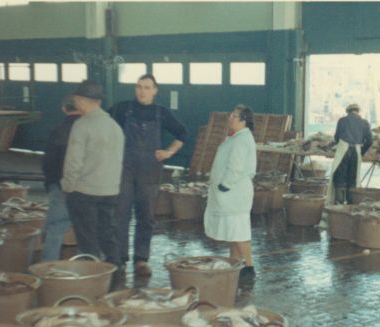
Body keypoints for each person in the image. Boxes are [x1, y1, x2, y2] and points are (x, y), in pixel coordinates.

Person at [109, 74, 188, 276]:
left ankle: (141, 260)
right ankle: (119, 259)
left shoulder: (161, 113)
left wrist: (169, 152)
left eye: (146, 87)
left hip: (150, 171)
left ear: (155, 90)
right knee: (120, 214)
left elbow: (182, 133)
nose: (142, 91)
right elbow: (105, 128)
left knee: (146, 216)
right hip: (124, 168)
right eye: (139, 87)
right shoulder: (122, 109)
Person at [61, 80, 124, 266]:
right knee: (108, 235)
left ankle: (93, 278)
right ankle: (116, 274)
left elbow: (73, 162)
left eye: (76, 99)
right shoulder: (115, 127)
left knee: (88, 242)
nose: (75, 103)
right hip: (110, 191)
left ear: (82, 100)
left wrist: (67, 186)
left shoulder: (82, 125)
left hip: (84, 193)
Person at [204, 105, 257, 279]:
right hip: (232, 194)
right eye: (231, 115)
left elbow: (236, 167)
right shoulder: (235, 137)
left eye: (234, 116)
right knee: (234, 232)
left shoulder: (241, 140)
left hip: (234, 193)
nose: (230, 118)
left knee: (239, 231)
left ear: (243, 121)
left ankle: (249, 267)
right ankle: (234, 266)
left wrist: (224, 185)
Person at [41, 94, 80, 261]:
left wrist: (50, 184)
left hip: (60, 186)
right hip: (86, 186)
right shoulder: (88, 131)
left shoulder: (57, 131)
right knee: (90, 229)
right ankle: (92, 269)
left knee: (55, 227)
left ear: (63, 109)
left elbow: (48, 162)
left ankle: (48, 268)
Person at [328, 103, 373, 204]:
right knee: (353, 177)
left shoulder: (342, 120)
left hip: (343, 149)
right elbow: (370, 141)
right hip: (356, 151)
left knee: (339, 175)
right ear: (358, 111)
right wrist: (361, 152)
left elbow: (337, 138)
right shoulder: (365, 123)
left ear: (348, 111)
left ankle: (339, 201)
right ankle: (351, 202)